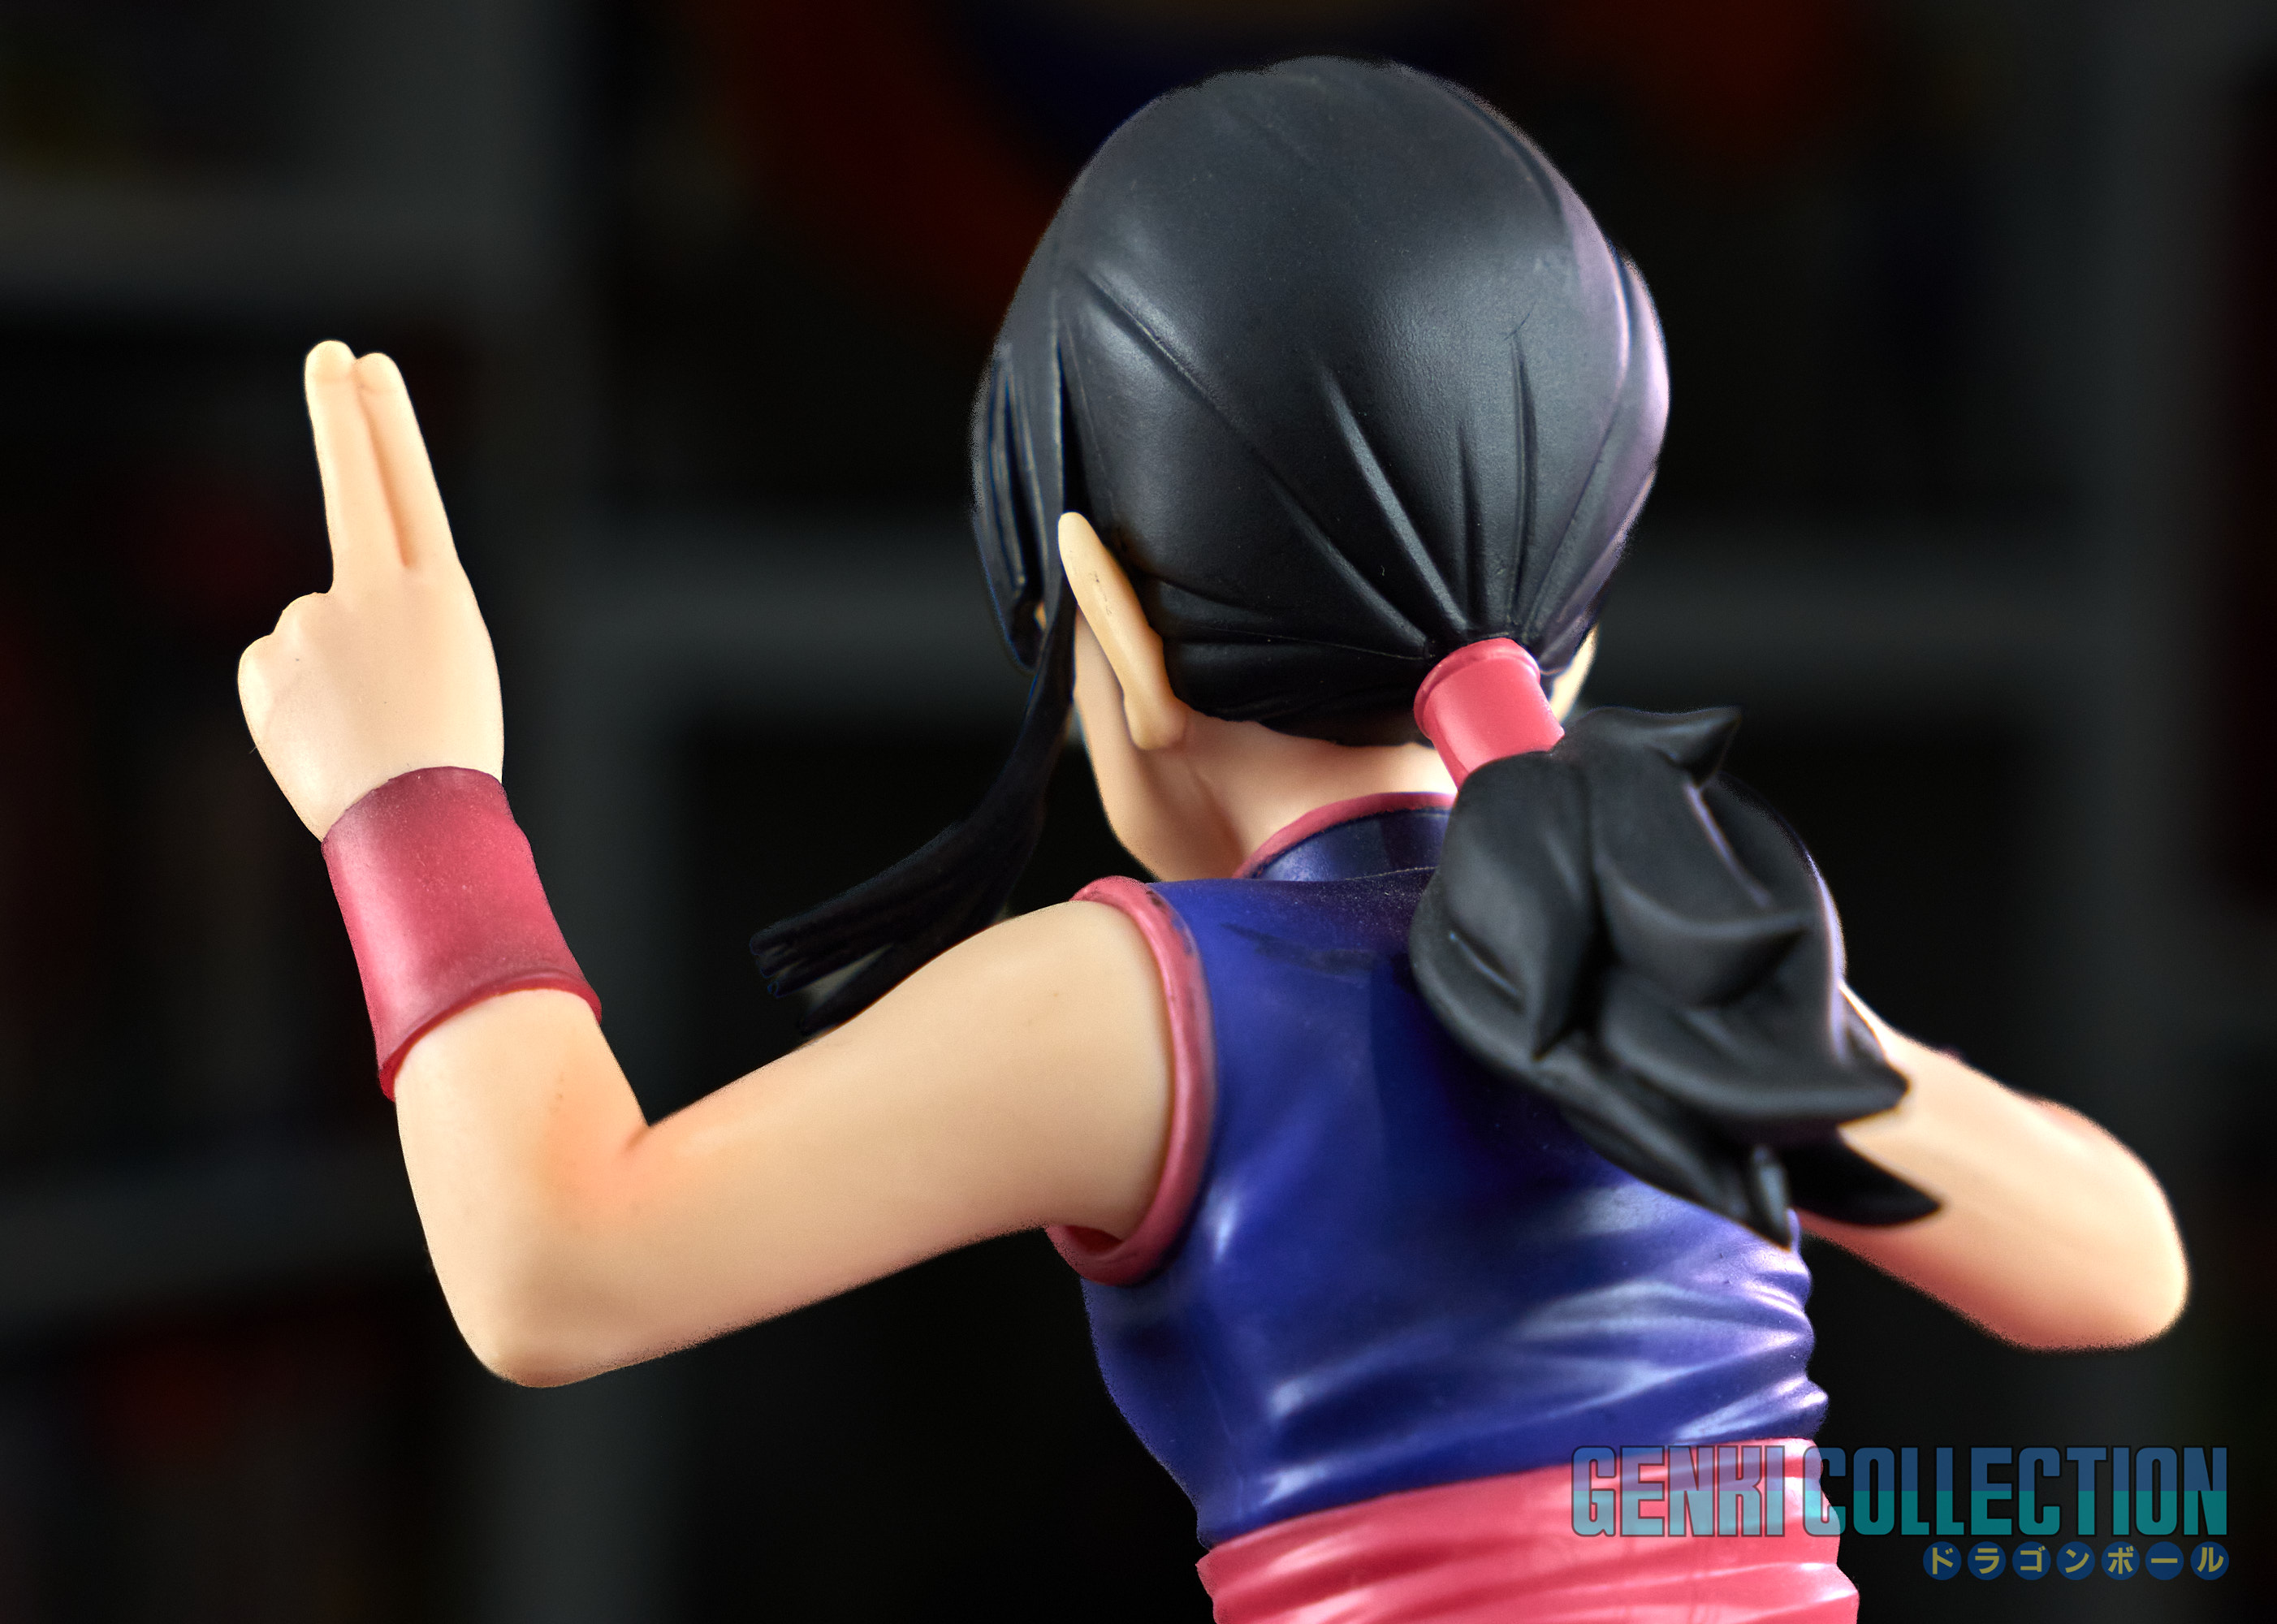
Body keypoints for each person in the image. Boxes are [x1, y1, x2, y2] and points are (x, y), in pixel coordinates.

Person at [237, 58, 2186, 1623]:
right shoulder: (1678, 922)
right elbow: (2122, 1266)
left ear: (1104, 620)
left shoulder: (1138, 1003)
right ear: (1575, 627)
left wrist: (415, 791)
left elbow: (560, 1266)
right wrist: (1784, 1069)